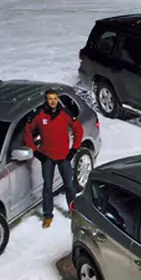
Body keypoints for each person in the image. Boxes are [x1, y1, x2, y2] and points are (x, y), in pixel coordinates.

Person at [23, 89, 84, 228]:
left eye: (55, 98)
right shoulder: (39, 115)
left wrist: (73, 149)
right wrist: (36, 152)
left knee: (69, 185)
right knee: (47, 188)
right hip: (47, 157)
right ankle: (48, 215)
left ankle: (73, 211)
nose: (52, 101)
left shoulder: (65, 114)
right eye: (50, 98)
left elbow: (78, 130)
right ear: (46, 100)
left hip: (64, 157)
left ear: (58, 99)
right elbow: (27, 132)